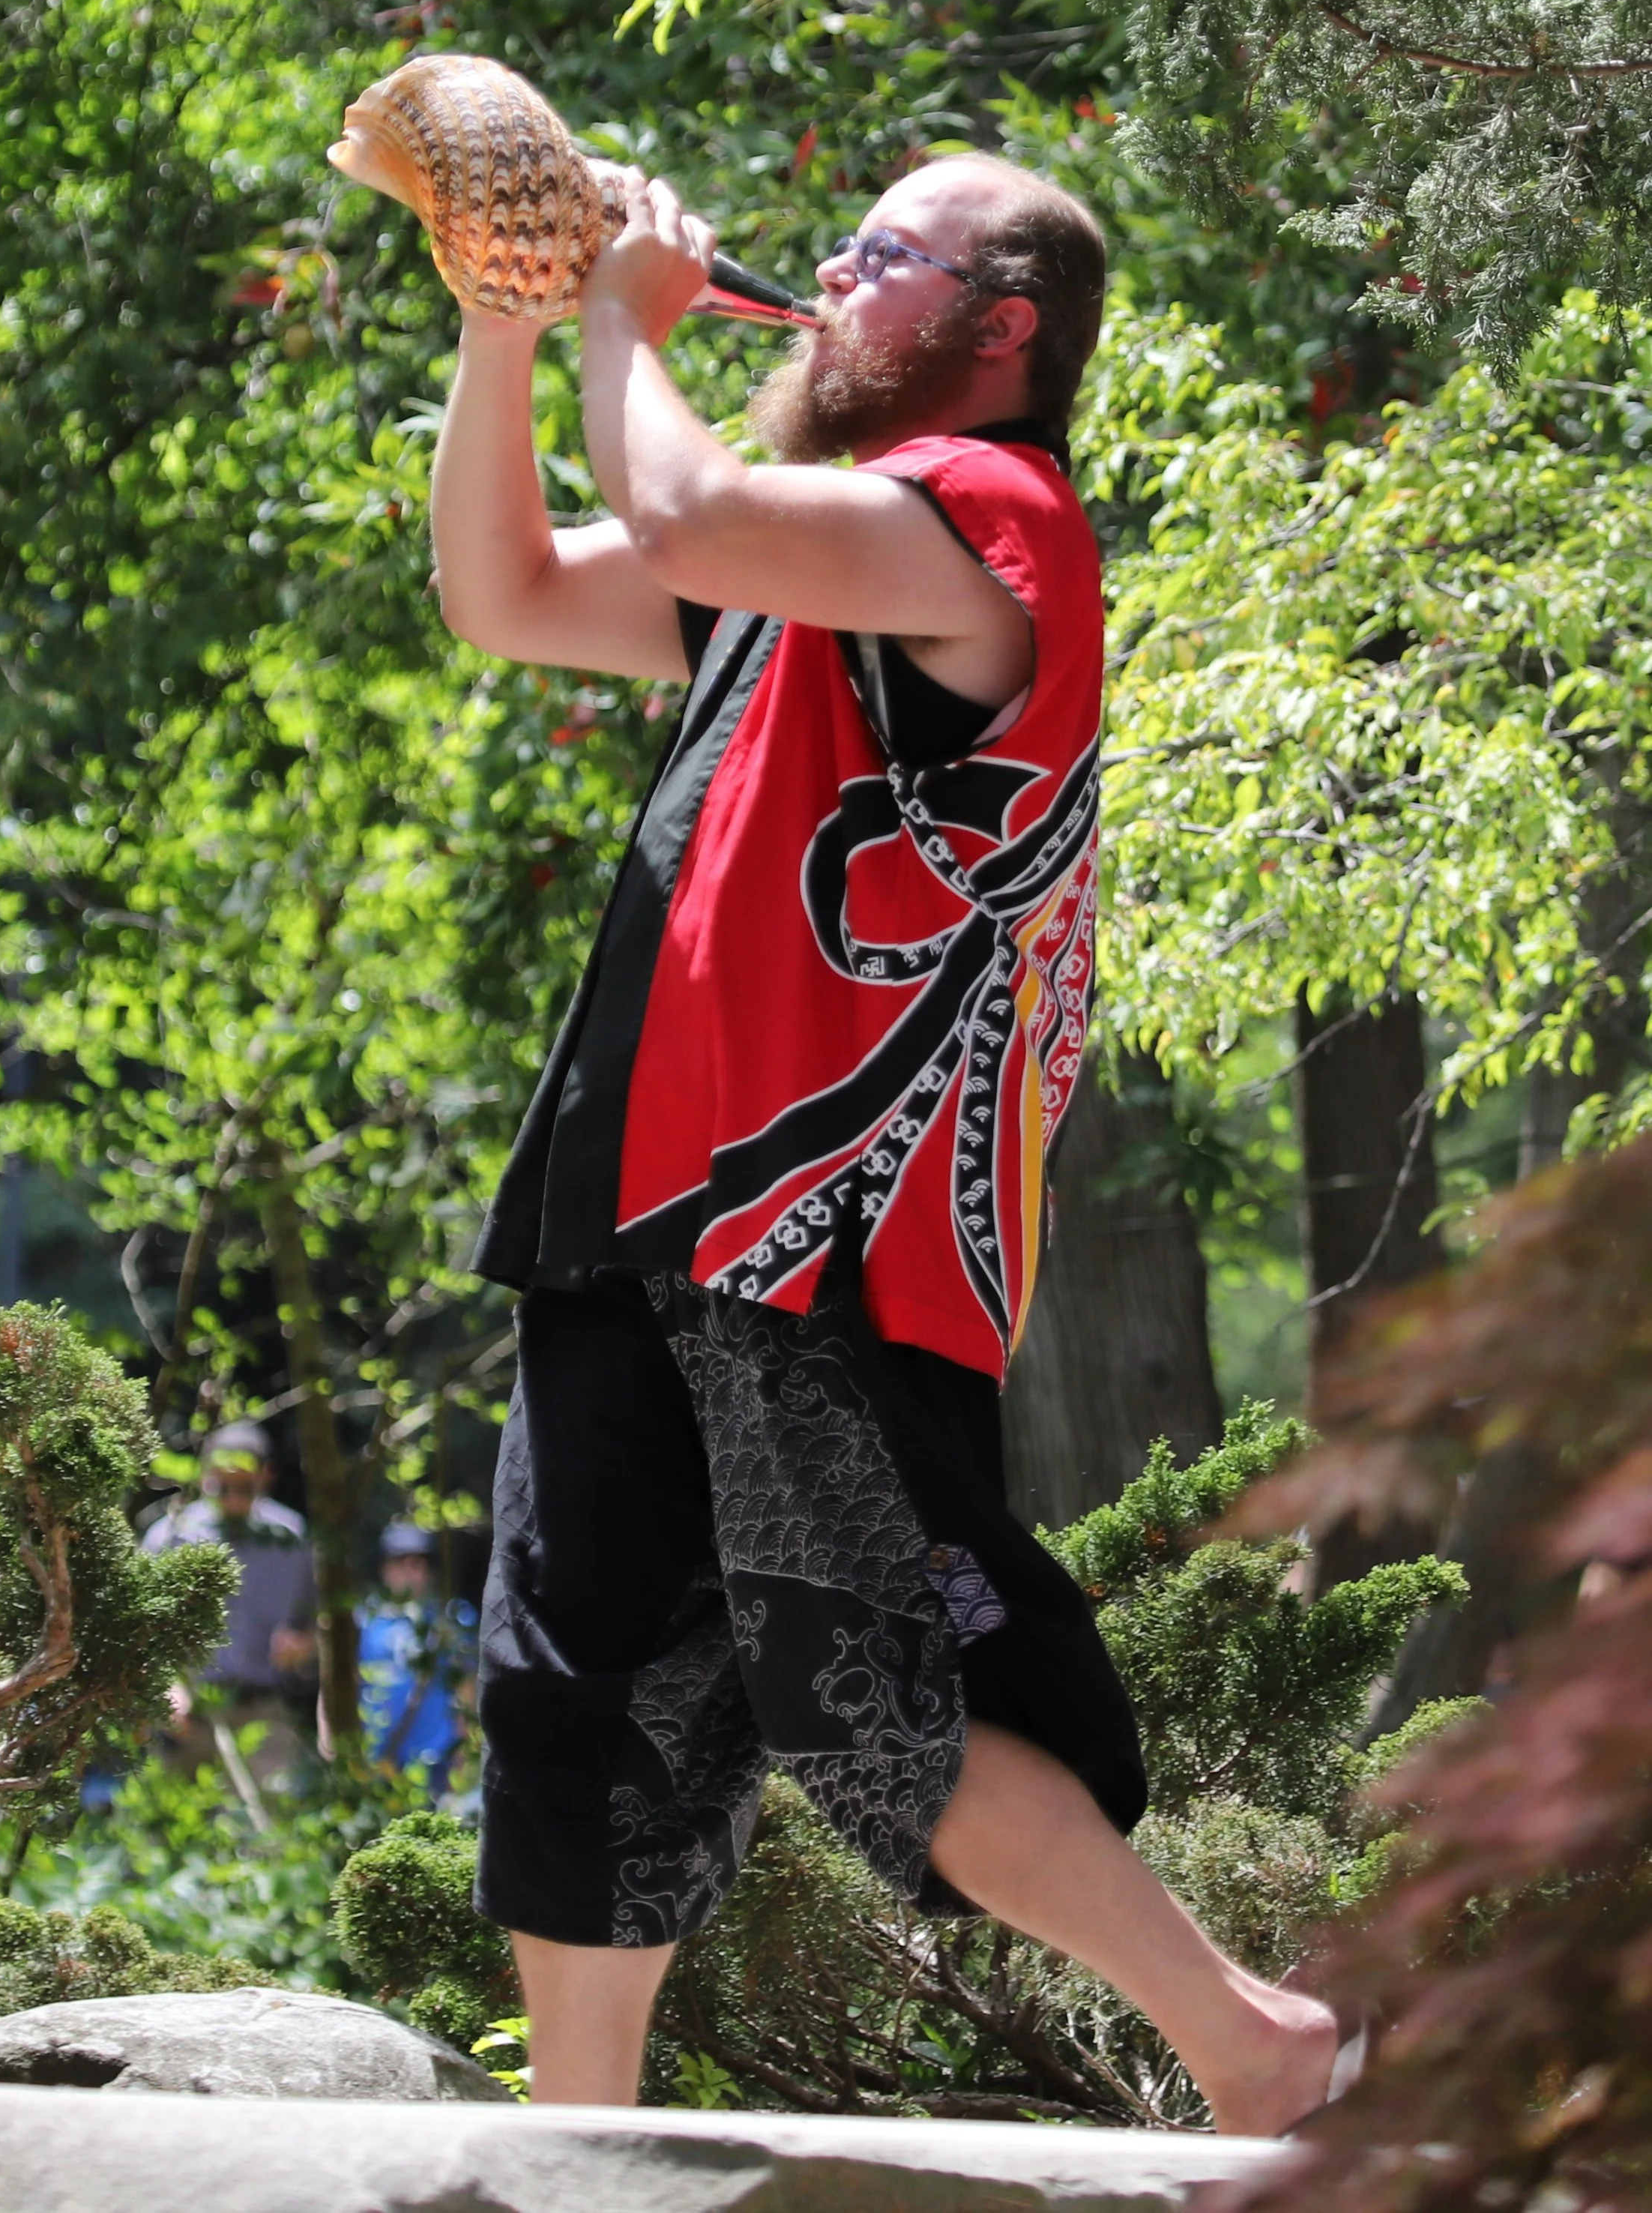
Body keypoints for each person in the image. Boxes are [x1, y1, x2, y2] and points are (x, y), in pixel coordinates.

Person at [414, 142, 1345, 2131]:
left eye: (886, 252)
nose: (833, 269)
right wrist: (506, 332)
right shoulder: (795, 565)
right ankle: (579, 2136)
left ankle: (1239, 2038)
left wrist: (615, 316)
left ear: (998, 331)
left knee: (876, 1701)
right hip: (638, 1199)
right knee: (582, 1693)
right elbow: (499, 590)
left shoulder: (996, 514)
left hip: (822, 1232)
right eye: (843, 239)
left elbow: (672, 494)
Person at [141, 1420, 319, 1786]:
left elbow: (317, 1624)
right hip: (190, 1719)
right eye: (222, 1488)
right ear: (205, 1474)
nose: (234, 1499)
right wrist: (165, 1689)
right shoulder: (170, 1538)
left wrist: (304, 1645)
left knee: (270, 1832)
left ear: (266, 1476)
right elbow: (139, 1632)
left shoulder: (290, 1539)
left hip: (264, 1711)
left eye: (245, 1488)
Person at [355, 1520, 471, 1789]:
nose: (410, 1572)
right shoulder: (361, 1620)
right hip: (379, 1761)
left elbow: (467, 1685)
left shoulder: (453, 1618)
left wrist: (464, 1748)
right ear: (384, 1568)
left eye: (418, 1563)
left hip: (438, 1759)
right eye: (400, 1562)